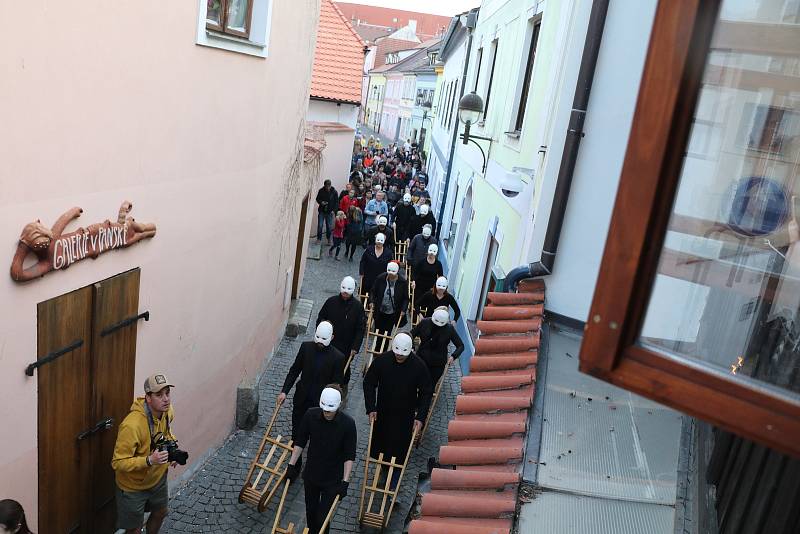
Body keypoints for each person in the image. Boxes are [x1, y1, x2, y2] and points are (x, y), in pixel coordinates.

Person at [112, 373, 181, 534]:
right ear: (148, 398)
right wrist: (149, 460)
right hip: (132, 487)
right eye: (159, 395)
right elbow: (117, 463)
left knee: (161, 512)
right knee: (135, 529)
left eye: (167, 393)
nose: (166, 399)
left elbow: (167, 433)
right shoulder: (132, 425)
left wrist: (173, 450)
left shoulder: (167, 411)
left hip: (158, 479)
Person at [285, 387, 356, 534]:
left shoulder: (348, 424)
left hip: (332, 479)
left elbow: (349, 455)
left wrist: (345, 481)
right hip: (312, 475)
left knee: (322, 518)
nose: (326, 413)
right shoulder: (310, 415)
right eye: (324, 410)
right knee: (311, 515)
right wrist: (291, 465)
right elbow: (300, 441)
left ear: (338, 406)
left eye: (330, 410)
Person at [363, 333, 432, 477]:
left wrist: (420, 417)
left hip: (405, 416)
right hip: (383, 412)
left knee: (400, 449)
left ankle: (395, 478)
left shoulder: (419, 366)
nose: (399, 356)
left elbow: (426, 392)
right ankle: (384, 469)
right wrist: (371, 408)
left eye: (403, 354)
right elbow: (369, 382)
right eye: (397, 353)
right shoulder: (382, 360)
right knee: (382, 445)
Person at [278, 322, 345, 447]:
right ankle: (295, 463)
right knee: (296, 434)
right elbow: (295, 370)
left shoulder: (338, 358)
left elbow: (336, 384)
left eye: (324, 339)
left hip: (319, 404)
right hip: (301, 398)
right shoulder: (306, 347)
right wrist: (284, 391)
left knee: (316, 438)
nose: (320, 342)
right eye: (318, 338)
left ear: (332, 337)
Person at [316, 276, 366, 389]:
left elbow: (360, 329)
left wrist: (355, 347)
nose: (345, 293)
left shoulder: (358, 307)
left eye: (348, 291)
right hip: (329, 342)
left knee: (343, 367)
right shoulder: (331, 302)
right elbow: (320, 318)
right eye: (343, 289)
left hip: (346, 345)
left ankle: (341, 386)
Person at [411, 307, 464, 386]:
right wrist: (411, 348)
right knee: (414, 383)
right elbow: (411, 335)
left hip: (437, 364)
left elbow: (460, 345)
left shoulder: (449, 329)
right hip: (421, 359)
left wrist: (453, 356)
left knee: (429, 387)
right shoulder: (425, 322)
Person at [369, 261, 409, 334]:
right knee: (377, 330)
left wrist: (403, 310)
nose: (390, 275)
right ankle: (377, 344)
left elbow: (405, 298)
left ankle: (385, 344)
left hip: (392, 312)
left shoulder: (402, 282)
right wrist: (371, 301)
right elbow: (373, 291)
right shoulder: (380, 278)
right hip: (380, 310)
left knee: (387, 331)